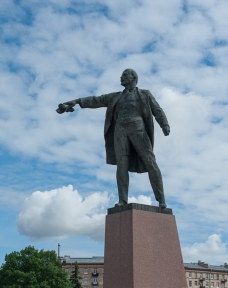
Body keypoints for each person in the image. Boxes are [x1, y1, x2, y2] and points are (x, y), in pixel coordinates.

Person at [58, 69, 170, 208]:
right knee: (122, 164)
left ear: (133, 77)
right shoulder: (116, 96)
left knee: (150, 162)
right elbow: (96, 100)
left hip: (138, 128)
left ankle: (161, 201)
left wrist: (164, 125)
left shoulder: (145, 94)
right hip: (120, 129)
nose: (121, 77)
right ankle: (123, 200)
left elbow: (157, 110)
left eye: (124, 75)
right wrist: (75, 102)